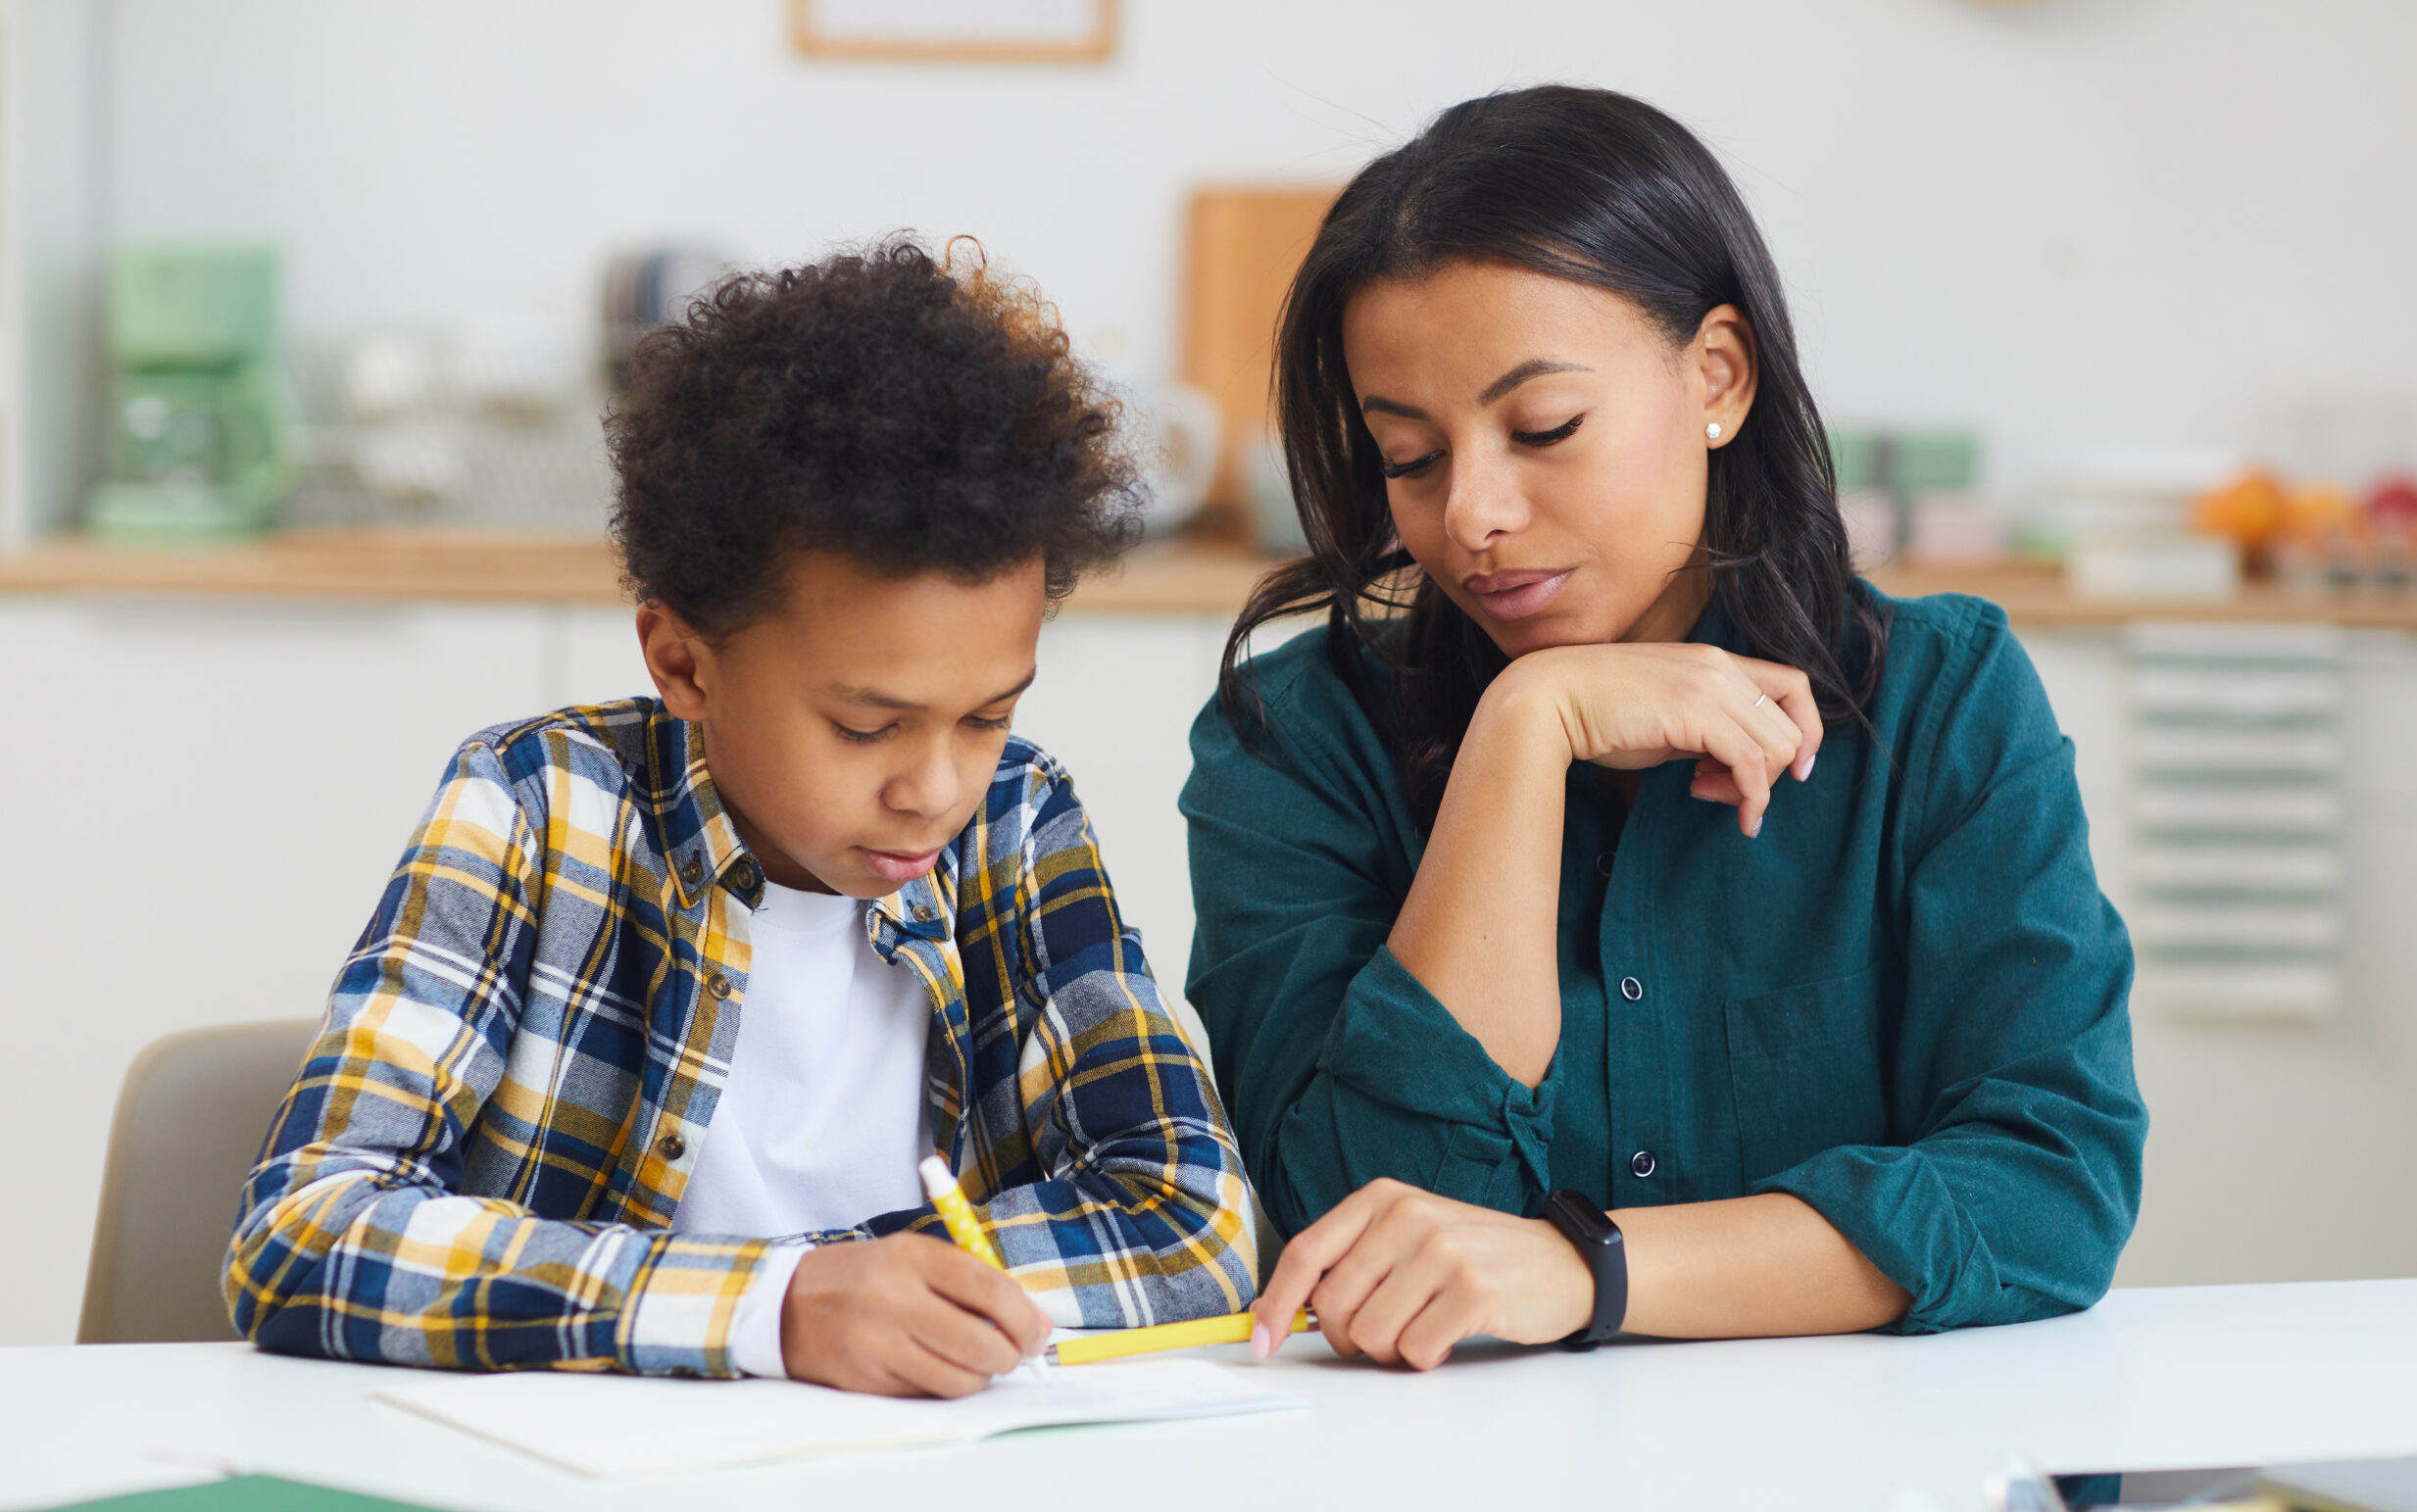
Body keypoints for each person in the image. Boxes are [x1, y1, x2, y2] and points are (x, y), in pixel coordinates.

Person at [1182, 86, 2146, 1371]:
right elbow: (1358, 1224)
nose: (1471, 511)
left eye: (1544, 429)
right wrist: (1528, 731)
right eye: (1409, 455)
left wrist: (1590, 1268)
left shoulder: (1941, 697)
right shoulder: (1293, 737)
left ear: (1718, 377)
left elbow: (2049, 1187)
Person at [228, 240, 1256, 1395]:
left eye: (984, 716)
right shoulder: (536, 805)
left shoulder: (1014, 819)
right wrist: (774, 1309)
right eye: (866, 727)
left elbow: (1193, 1229)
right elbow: (304, 1233)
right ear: (683, 661)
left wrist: (835, 1294)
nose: (934, 788)